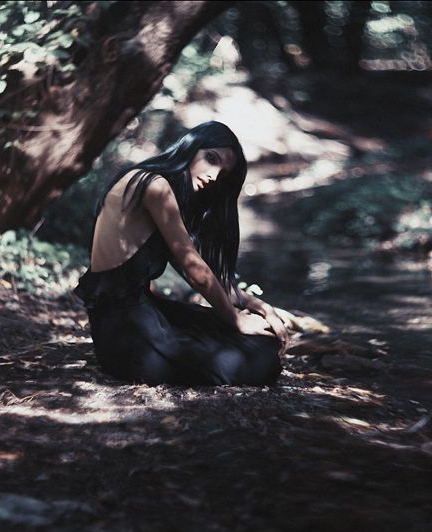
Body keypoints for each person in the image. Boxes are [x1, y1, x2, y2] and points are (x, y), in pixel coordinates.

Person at [74, 121, 290, 386]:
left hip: (138, 316)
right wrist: (236, 319)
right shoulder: (155, 186)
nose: (214, 176)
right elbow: (195, 271)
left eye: (222, 173)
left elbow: (198, 271)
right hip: (124, 336)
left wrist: (257, 305)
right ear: (190, 148)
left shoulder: (158, 187)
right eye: (211, 159)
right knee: (260, 359)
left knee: (261, 339)